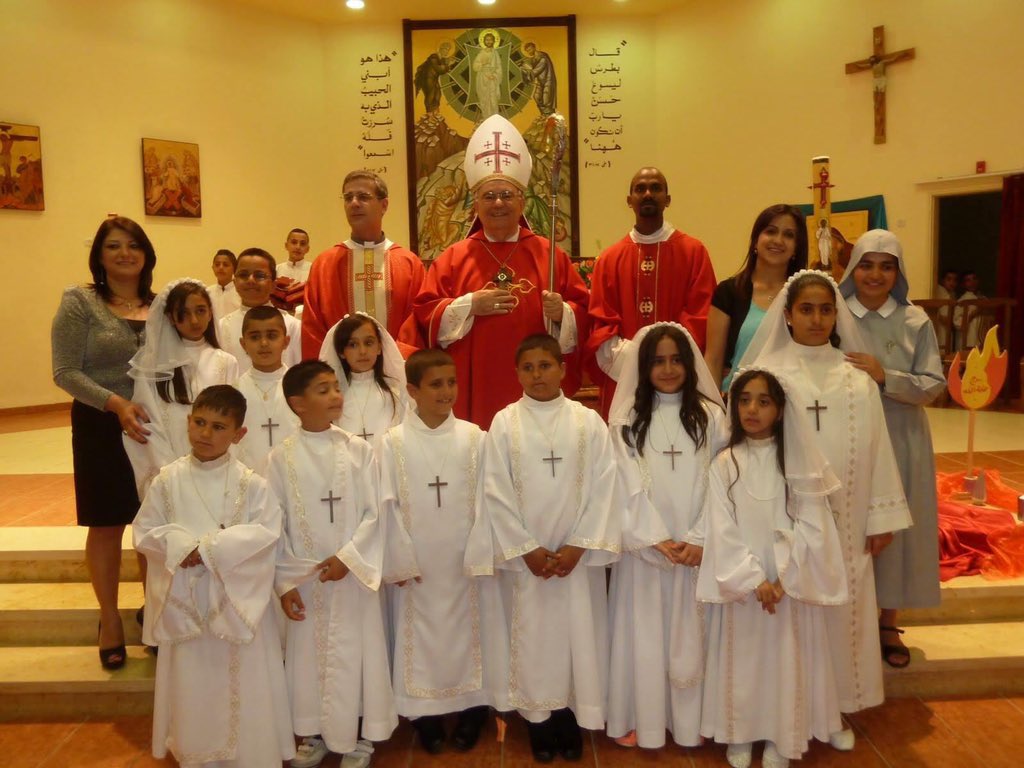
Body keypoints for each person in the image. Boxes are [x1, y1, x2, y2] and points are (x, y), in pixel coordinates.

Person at [740, 271, 911, 748]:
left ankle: (832, 709)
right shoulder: (768, 374)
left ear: (836, 315)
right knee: (789, 617)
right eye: (806, 310)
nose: (817, 319)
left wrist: (879, 518)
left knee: (840, 610)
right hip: (782, 520)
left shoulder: (855, 378)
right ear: (788, 315)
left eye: (826, 310)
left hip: (847, 520)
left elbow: (877, 449)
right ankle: (783, 710)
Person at [467, 334, 621, 762]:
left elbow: (605, 484)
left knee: (577, 637)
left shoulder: (587, 421)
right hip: (529, 562)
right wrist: (526, 549)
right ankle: (538, 721)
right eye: (528, 367)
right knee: (532, 639)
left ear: (562, 368)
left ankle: (570, 718)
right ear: (517, 373)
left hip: (576, 558)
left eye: (545, 366)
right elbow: (494, 490)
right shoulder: (505, 421)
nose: (537, 375)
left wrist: (578, 546)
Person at [132, 385, 294, 768]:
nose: (206, 434)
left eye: (219, 427)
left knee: (244, 685)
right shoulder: (166, 480)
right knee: (193, 687)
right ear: (188, 422)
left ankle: (250, 756)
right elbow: (145, 531)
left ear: (239, 435)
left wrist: (206, 549)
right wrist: (179, 547)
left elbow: (266, 534)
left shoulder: (252, 484)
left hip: (235, 606)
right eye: (200, 423)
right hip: (185, 608)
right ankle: (197, 755)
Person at [697, 369, 848, 768]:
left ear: (780, 410)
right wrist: (754, 580)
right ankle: (740, 733)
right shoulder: (724, 465)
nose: (752, 409)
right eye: (744, 400)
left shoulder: (800, 464)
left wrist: (783, 579)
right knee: (743, 661)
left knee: (786, 660)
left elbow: (813, 525)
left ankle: (784, 736)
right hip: (747, 588)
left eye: (764, 402)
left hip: (788, 584)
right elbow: (721, 529)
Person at [409, 114, 590, 429]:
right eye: (488, 196)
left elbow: (585, 312)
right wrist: (468, 306)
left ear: (522, 202)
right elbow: (425, 316)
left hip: (536, 387)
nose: (498, 203)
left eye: (507, 195)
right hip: (474, 388)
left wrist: (562, 313)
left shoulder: (551, 256)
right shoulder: (452, 259)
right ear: (475, 204)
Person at [380, 349, 509, 754]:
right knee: (420, 632)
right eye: (436, 384)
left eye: (451, 382)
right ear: (413, 390)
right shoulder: (391, 443)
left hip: (464, 560)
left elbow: (492, 498)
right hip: (417, 563)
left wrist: (481, 550)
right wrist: (399, 557)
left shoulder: (475, 437)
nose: (447, 391)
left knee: (472, 630)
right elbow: (385, 504)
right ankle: (425, 714)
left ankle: (473, 709)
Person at [606, 323, 727, 750]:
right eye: (658, 360)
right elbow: (622, 483)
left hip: (697, 550)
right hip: (645, 552)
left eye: (677, 359)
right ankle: (645, 719)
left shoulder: (713, 418)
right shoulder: (627, 420)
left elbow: (724, 480)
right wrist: (653, 537)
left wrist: (698, 537)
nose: (669, 368)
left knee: (694, 635)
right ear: (643, 366)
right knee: (644, 634)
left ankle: (694, 722)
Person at [270, 360, 397, 768]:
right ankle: (314, 730)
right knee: (309, 658)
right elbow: (273, 522)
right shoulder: (279, 459)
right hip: (307, 578)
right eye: (322, 390)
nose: (335, 396)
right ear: (297, 403)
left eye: (335, 388)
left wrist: (348, 558)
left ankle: (359, 733)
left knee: (356, 653)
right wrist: (285, 582)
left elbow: (375, 513)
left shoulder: (357, 450)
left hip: (351, 576)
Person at [51, 215, 156, 670]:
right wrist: (116, 405)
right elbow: (65, 371)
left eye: (133, 245)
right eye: (113, 246)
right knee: (109, 523)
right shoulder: (81, 302)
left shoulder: (162, 303)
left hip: (155, 428)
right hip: (101, 425)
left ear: (146, 254)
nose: (124, 253)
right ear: (99, 255)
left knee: (154, 525)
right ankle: (109, 618)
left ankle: (155, 612)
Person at [839, 230, 945, 668]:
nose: (875, 274)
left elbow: (933, 386)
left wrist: (887, 377)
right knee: (851, 525)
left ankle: (888, 621)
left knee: (895, 530)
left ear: (898, 273)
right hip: (849, 437)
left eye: (886, 266)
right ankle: (847, 619)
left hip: (902, 437)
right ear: (852, 270)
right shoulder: (836, 315)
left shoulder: (915, 321)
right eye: (866, 264)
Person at [587, 167, 716, 417]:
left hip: (679, 378)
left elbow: (701, 316)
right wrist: (642, 364)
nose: (648, 194)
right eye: (640, 189)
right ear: (629, 200)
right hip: (625, 380)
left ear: (667, 199)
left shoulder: (693, 252)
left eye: (656, 188)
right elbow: (602, 326)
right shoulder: (610, 259)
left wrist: (667, 362)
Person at [123, 279, 239, 497]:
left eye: (201, 310)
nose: (194, 320)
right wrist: (173, 471)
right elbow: (149, 424)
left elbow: (231, 419)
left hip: (216, 465)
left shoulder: (226, 362)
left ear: (211, 312)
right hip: (169, 467)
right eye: (183, 314)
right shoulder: (152, 367)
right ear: (170, 318)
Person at [302, 171, 425, 359]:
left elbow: (417, 322)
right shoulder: (324, 265)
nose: (354, 203)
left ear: (384, 205)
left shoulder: (409, 264)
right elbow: (313, 328)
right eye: (348, 197)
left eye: (363, 197)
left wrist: (397, 363)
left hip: (396, 373)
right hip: (340, 377)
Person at [705, 204, 808, 392]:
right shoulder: (728, 292)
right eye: (771, 231)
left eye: (789, 235)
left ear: (796, 248)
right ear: (755, 240)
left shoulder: (804, 296)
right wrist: (713, 408)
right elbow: (713, 360)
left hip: (794, 403)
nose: (778, 240)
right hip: (738, 405)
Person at [320, 313, 406, 455]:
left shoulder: (396, 391)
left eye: (369, 343)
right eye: (353, 345)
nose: (362, 351)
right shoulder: (334, 397)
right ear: (341, 352)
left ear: (379, 347)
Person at [234, 306, 300, 475]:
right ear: (243, 344)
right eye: (255, 337)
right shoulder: (235, 391)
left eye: (272, 336)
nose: (264, 343)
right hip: (249, 484)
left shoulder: (300, 388)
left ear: (286, 341)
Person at [219, 247, 301, 374]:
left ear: (273, 284)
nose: (251, 280)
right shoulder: (221, 327)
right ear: (234, 282)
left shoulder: (292, 325)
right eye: (243, 275)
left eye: (260, 275)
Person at [520, 42, 557, 116]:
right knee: (537, 96)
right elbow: (531, 68)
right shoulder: (533, 59)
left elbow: (538, 69)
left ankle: (551, 117)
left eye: (530, 49)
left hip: (548, 80)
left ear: (534, 48)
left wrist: (529, 73)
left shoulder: (542, 56)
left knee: (547, 99)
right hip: (540, 81)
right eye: (527, 51)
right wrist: (524, 67)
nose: (529, 52)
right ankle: (544, 114)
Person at [472, 31, 502, 118]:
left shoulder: (495, 54)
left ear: (493, 41)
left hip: (492, 79)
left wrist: (495, 76)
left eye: (490, 40)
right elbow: (475, 66)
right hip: (482, 78)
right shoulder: (481, 53)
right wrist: (482, 64)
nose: (489, 41)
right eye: (487, 40)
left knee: (493, 99)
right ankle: (485, 118)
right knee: (484, 99)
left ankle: (494, 118)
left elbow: (499, 67)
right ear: (484, 41)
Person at [954, 270, 986, 348]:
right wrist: (973, 314)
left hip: (982, 342)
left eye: (974, 279)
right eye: (968, 280)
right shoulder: (962, 301)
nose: (972, 283)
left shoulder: (984, 299)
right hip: (968, 342)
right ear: (963, 284)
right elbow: (958, 324)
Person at [207, 248, 241, 321]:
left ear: (234, 269)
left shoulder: (241, 292)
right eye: (217, 264)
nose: (221, 267)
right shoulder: (207, 292)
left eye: (225, 265)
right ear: (213, 268)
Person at [935, 268, 959, 351]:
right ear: (942, 280)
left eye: (954, 280)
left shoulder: (952, 294)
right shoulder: (937, 291)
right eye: (949, 279)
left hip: (948, 328)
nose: (952, 283)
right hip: (939, 327)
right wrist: (941, 317)